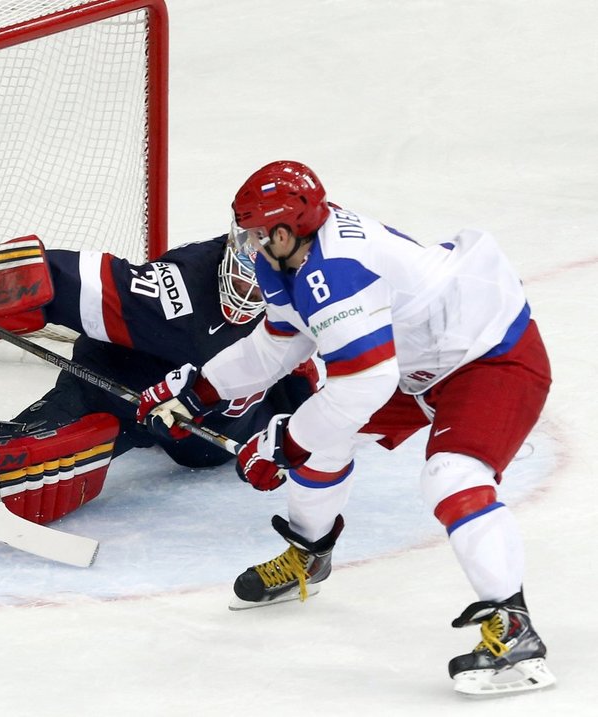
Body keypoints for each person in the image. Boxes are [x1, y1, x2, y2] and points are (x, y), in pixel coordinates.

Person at [136, 160, 554, 696]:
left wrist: (283, 444)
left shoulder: (336, 271)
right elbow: (278, 344)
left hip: (489, 355)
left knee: (452, 477)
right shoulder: (288, 256)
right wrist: (197, 393)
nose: (247, 244)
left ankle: (516, 630)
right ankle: (311, 554)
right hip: (412, 359)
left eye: (257, 233)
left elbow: (362, 387)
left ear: (286, 232)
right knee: (322, 443)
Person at [0, 235, 317, 557]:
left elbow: (327, 376)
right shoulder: (181, 290)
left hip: (213, 432)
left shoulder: (315, 299)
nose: (251, 293)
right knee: (55, 453)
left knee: (223, 443)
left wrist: (299, 434)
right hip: (124, 385)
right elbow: (75, 283)